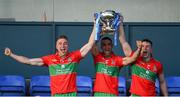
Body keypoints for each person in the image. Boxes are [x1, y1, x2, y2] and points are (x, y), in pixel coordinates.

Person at [4, 21, 96, 96]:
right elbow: (28, 61)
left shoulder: (74, 56)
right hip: (56, 94)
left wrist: (95, 24)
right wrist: (11, 54)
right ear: (56, 46)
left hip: (71, 94)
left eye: (65, 43)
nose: (62, 46)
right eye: (60, 43)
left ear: (68, 45)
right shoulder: (50, 59)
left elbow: (90, 44)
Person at [91, 21, 142, 96]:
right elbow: (92, 45)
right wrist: (96, 27)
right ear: (101, 47)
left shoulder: (117, 60)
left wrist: (139, 49)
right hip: (98, 94)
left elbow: (132, 59)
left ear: (112, 46)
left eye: (109, 44)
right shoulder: (98, 57)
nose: (106, 47)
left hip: (112, 94)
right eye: (104, 45)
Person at [119, 22, 168, 96]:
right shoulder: (134, 59)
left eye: (147, 46)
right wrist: (120, 23)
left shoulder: (158, 64)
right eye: (142, 46)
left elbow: (162, 81)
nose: (144, 48)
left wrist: (166, 95)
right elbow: (123, 42)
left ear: (151, 49)